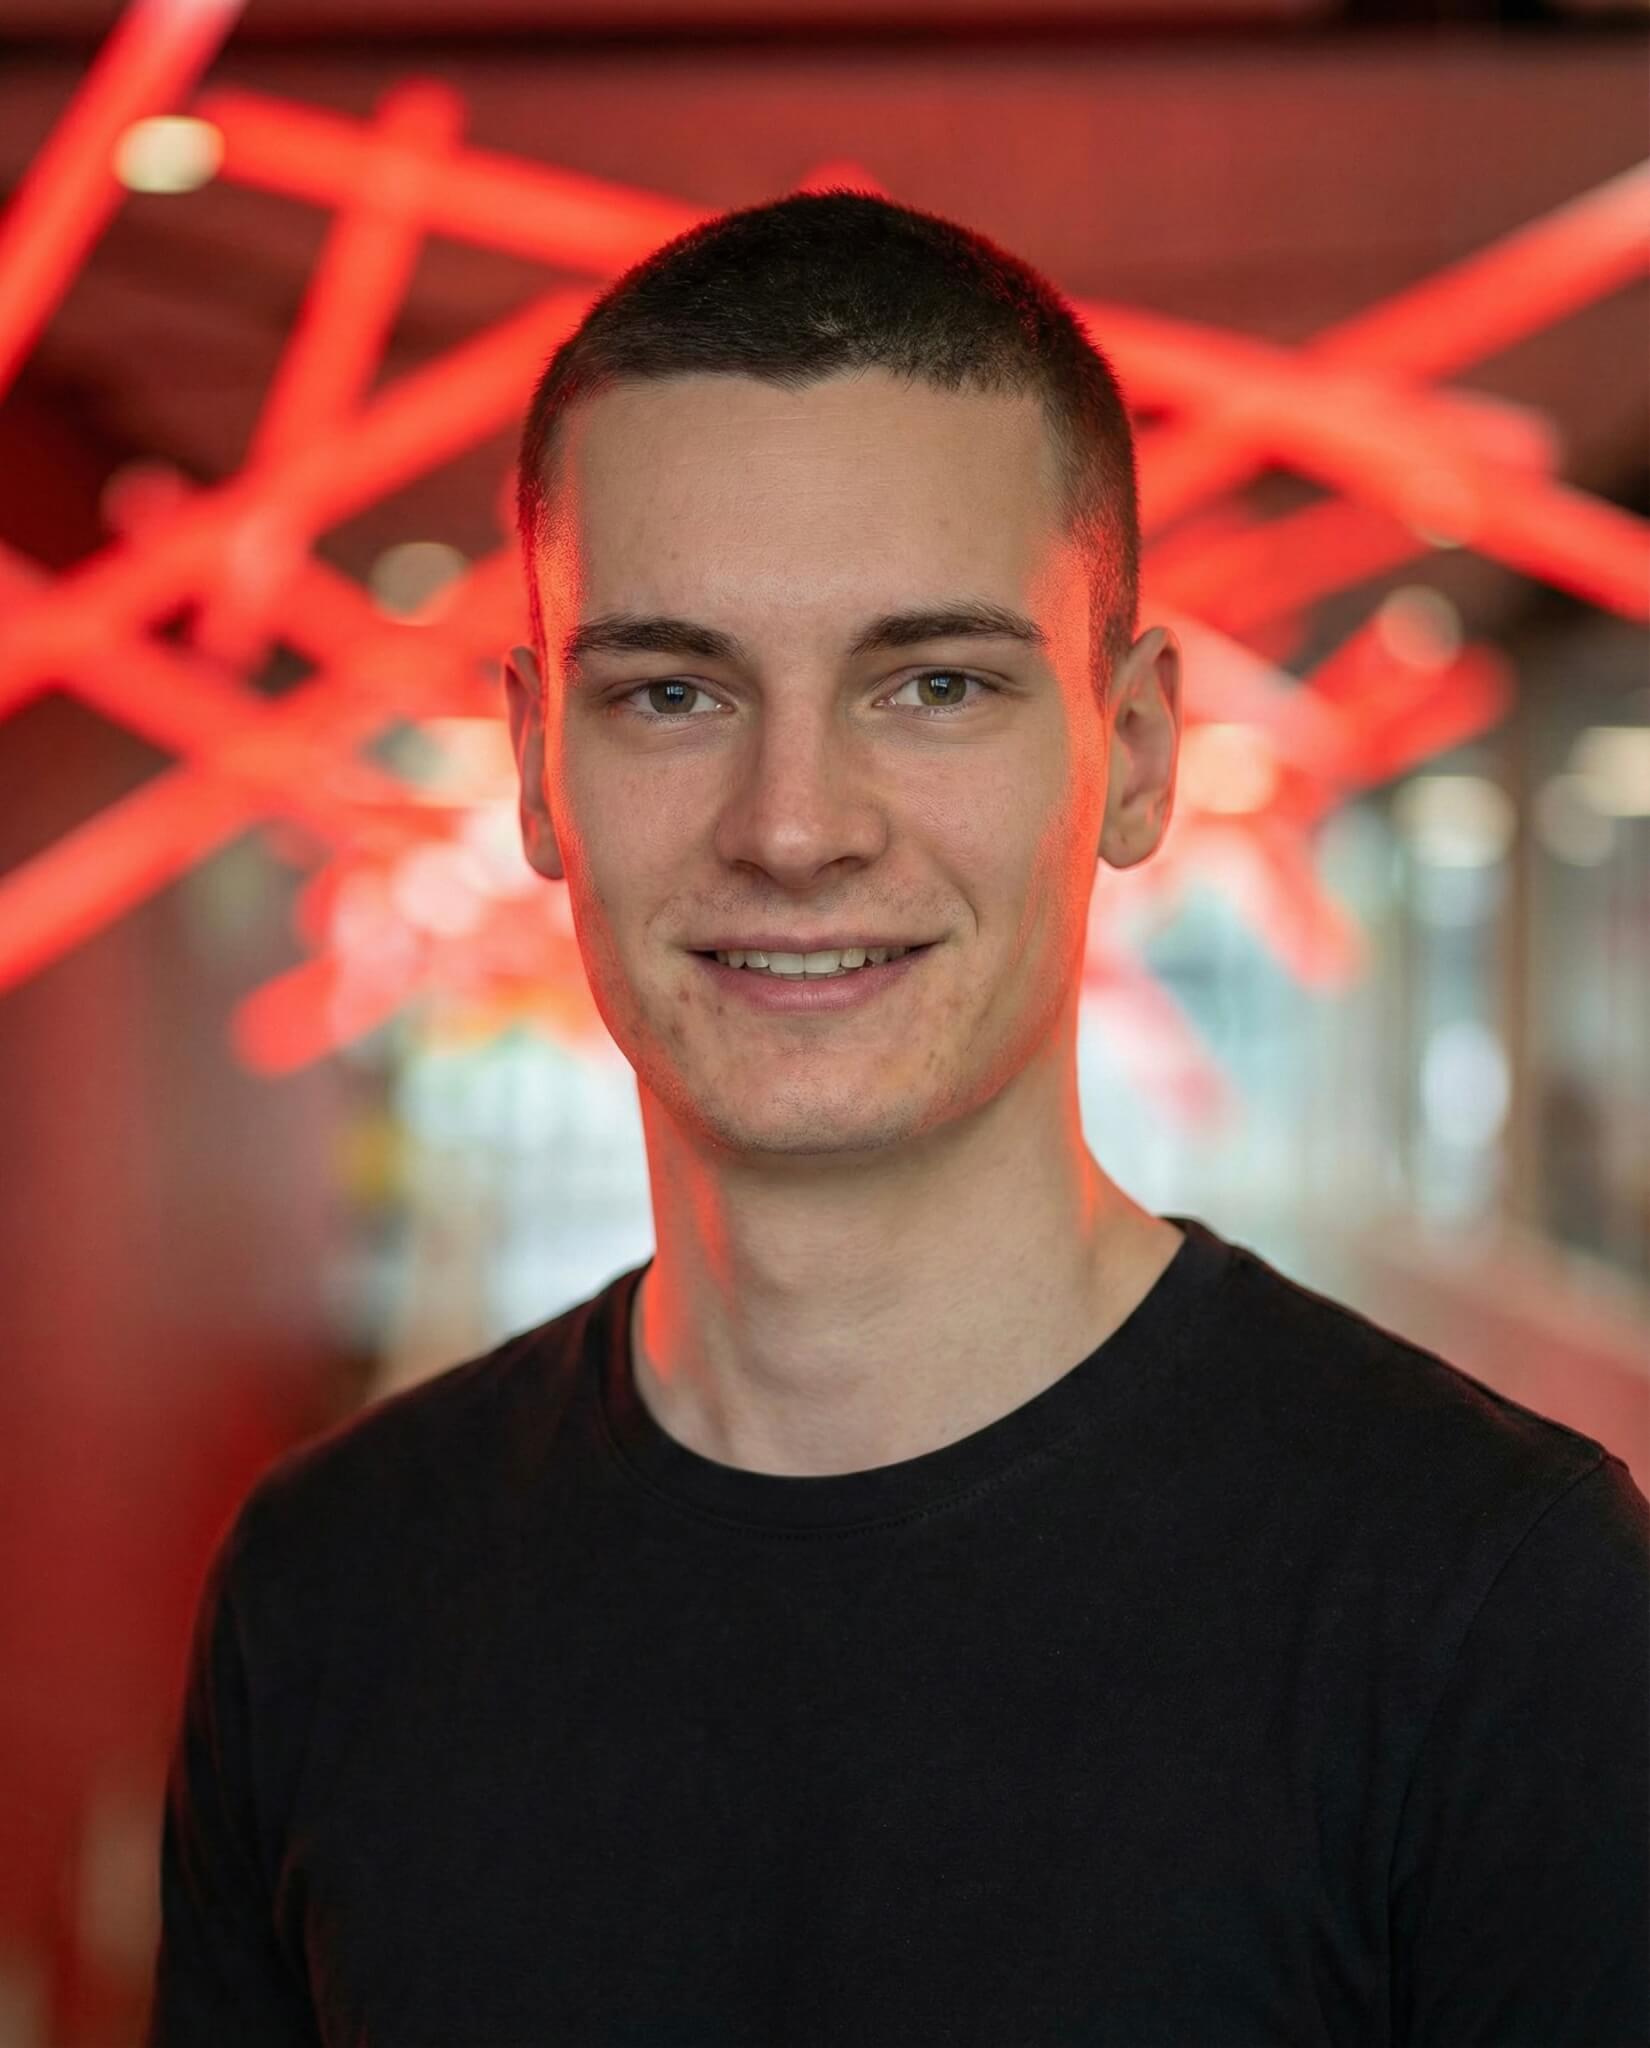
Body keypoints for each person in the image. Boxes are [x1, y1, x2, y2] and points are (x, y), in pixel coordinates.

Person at [146, 191, 1649, 2046]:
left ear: (1138, 752)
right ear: (537, 765)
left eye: (932, 685)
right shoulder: (328, 1589)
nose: (793, 825)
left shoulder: (1488, 1602)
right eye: (673, 690)